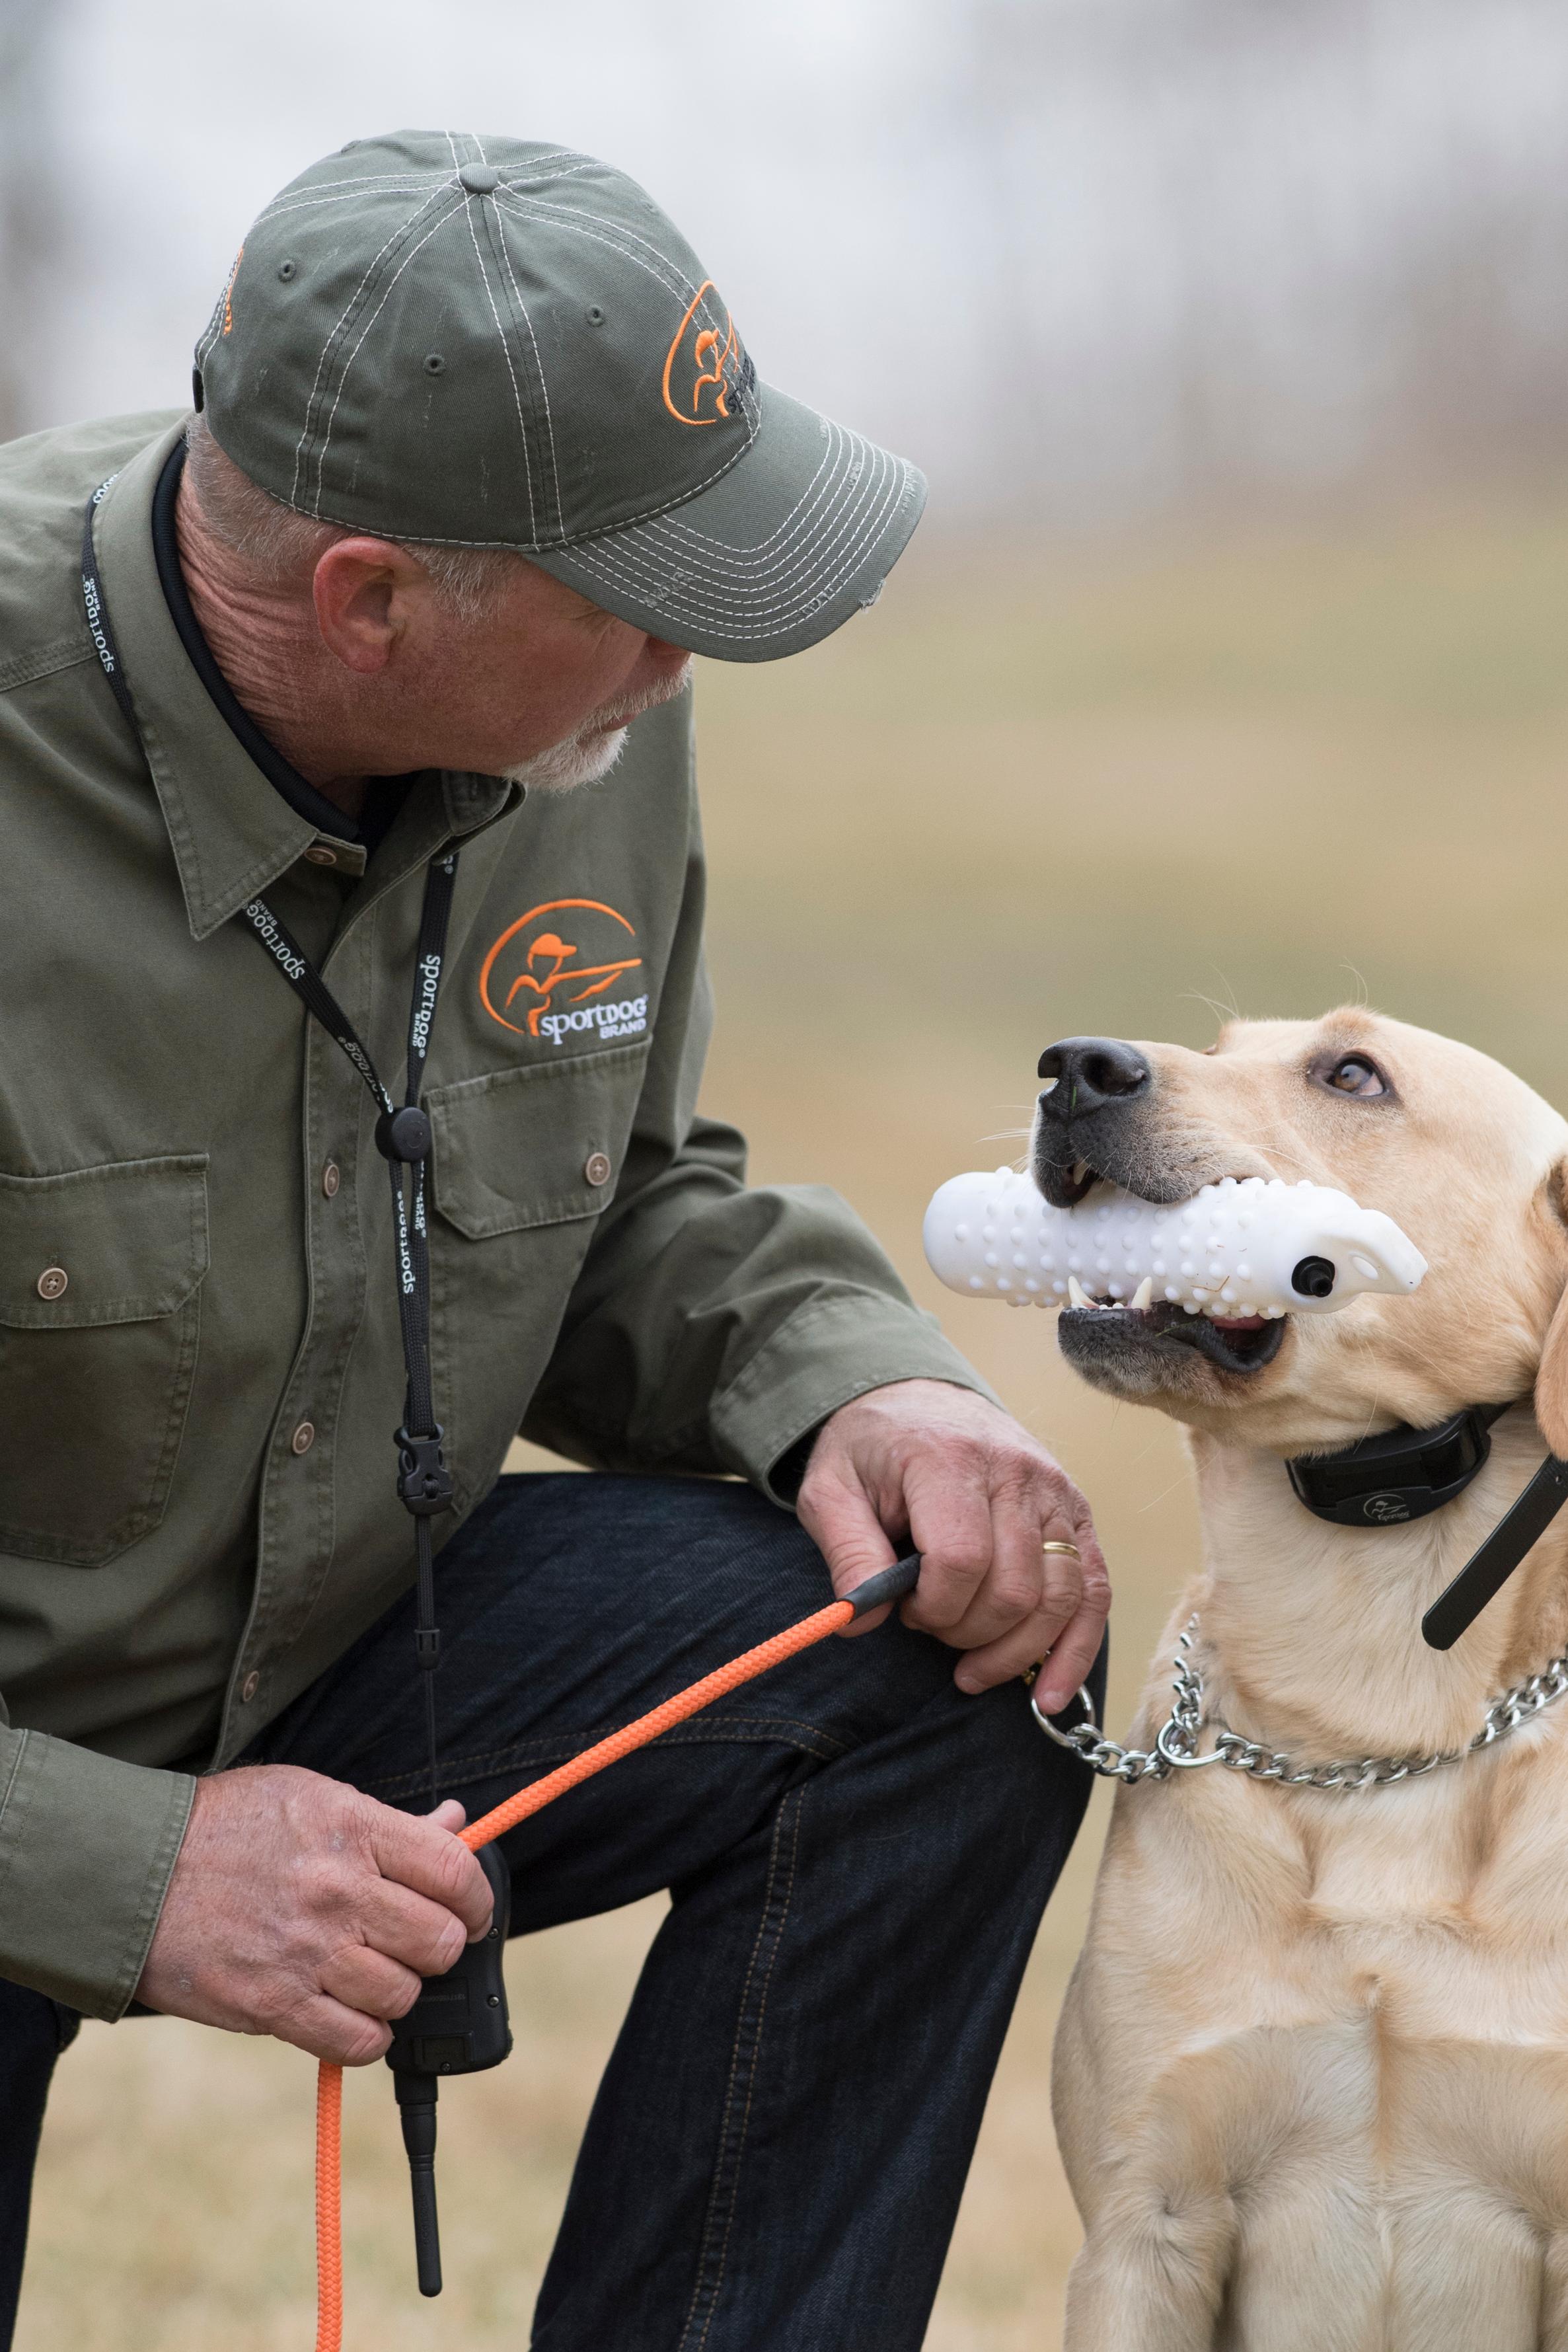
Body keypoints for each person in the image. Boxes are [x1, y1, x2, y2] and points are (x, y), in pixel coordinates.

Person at [0, 131, 1109, 2350]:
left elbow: (616, 1199)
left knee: (937, 1673)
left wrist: (844, 1377)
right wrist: (125, 1867)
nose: (689, 665)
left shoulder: (571, 713)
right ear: (372, 598)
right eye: (645, 594)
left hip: (327, 1626)